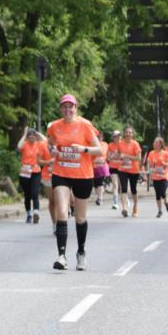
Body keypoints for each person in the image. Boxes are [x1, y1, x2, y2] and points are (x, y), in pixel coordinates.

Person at [46, 94, 101, 271]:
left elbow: (99, 149)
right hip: (61, 172)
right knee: (62, 211)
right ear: (61, 109)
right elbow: (50, 144)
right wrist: (52, 149)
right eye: (64, 107)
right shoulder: (55, 126)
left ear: (76, 108)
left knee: (80, 217)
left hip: (83, 175)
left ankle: (81, 253)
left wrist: (83, 149)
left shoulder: (85, 125)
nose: (67, 110)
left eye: (71, 107)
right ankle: (61, 256)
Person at [16, 128, 49, 224]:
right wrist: (24, 134)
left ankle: (36, 212)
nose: (31, 139)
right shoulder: (25, 145)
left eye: (33, 137)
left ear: (36, 137)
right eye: (29, 137)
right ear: (27, 138)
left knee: (35, 193)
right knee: (27, 195)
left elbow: (46, 141)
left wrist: (38, 133)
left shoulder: (39, 145)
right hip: (25, 172)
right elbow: (19, 147)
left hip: (36, 171)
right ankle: (29, 214)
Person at [116, 126, 142, 218]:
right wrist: (119, 157)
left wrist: (127, 156)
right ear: (124, 134)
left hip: (134, 170)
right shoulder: (120, 143)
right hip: (122, 169)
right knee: (123, 188)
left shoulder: (135, 144)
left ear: (132, 134)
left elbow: (138, 158)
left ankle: (135, 206)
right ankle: (125, 208)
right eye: (127, 132)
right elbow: (119, 155)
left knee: (133, 189)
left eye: (130, 132)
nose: (128, 134)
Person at [146, 137, 168, 218]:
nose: (154, 144)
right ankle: (160, 211)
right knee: (158, 194)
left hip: (164, 176)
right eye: (154, 142)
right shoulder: (151, 153)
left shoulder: (165, 153)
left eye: (156, 143)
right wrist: (152, 164)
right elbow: (149, 165)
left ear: (160, 144)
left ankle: (166, 202)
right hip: (155, 176)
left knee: (162, 192)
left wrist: (164, 163)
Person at [92, 131, 110, 206]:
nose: (99, 139)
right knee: (95, 184)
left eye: (100, 137)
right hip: (93, 166)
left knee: (99, 182)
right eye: (97, 137)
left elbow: (102, 152)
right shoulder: (92, 144)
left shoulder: (104, 144)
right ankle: (99, 196)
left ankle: (100, 198)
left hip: (101, 165)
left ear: (102, 138)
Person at [107, 130, 122, 209]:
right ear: (113, 137)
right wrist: (115, 155)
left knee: (122, 185)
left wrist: (115, 155)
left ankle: (125, 199)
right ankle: (115, 203)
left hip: (122, 167)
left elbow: (124, 156)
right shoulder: (110, 145)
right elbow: (108, 157)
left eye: (119, 136)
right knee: (115, 185)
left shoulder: (123, 144)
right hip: (113, 167)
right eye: (116, 136)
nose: (118, 137)